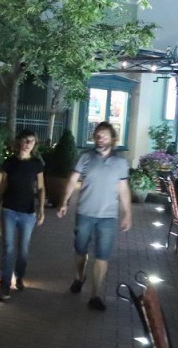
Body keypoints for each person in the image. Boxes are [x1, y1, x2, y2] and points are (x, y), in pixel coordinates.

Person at [56, 121, 132, 312]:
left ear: (113, 139)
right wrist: (64, 202)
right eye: (97, 135)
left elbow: (123, 189)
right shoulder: (85, 157)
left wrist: (127, 213)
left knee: (102, 255)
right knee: (80, 250)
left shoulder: (120, 163)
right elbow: (72, 180)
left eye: (104, 136)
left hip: (108, 217)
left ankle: (95, 294)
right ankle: (79, 277)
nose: (100, 139)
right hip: (85, 213)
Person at [0, 130, 46, 302]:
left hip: (28, 212)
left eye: (31, 141)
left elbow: (41, 187)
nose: (28, 144)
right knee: (9, 248)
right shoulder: (10, 162)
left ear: (34, 144)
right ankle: (5, 284)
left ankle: (20, 275)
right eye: (25, 140)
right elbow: (3, 184)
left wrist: (41, 209)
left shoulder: (36, 164)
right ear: (19, 142)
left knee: (23, 250)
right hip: (9, 209)